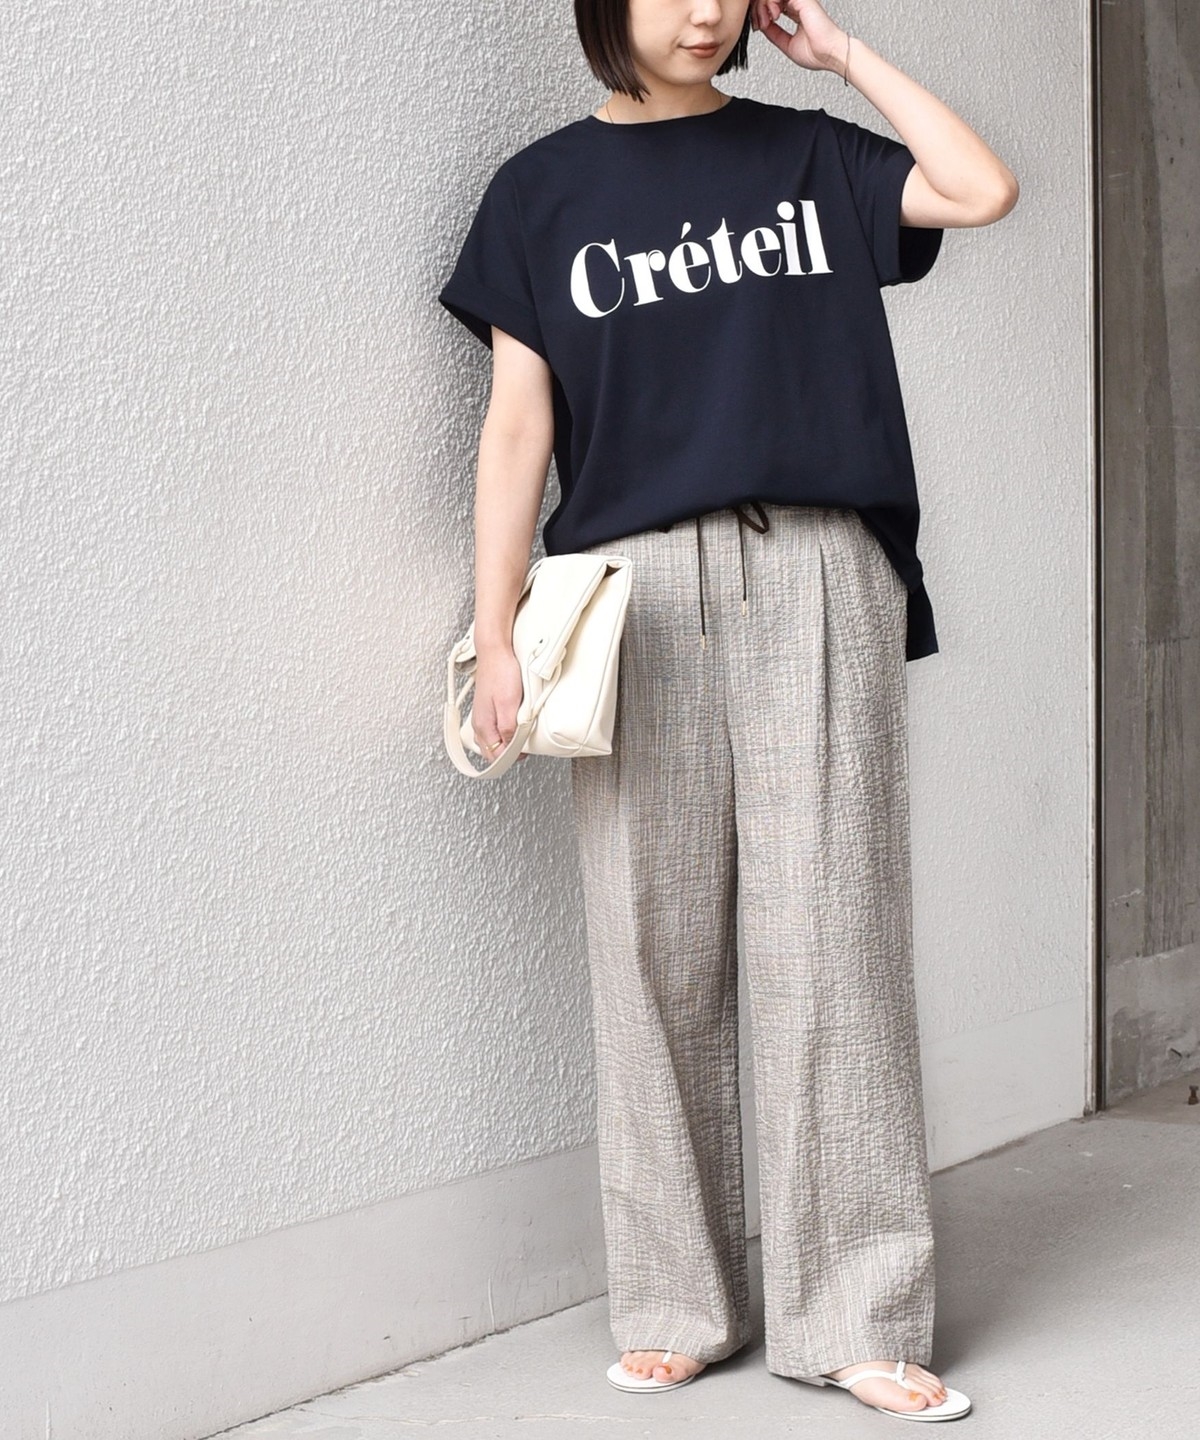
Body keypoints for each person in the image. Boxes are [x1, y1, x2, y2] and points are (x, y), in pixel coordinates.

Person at [438, 0, 1017, 1422]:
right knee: (652, 948)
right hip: (630, 591)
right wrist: (495, 629)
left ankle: (856, 1316)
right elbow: (518, 426)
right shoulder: (541, 192)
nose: (701, 9)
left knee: (837, 943)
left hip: (819, 565)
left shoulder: (809, 156)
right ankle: (677, 1302)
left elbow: (979, 189)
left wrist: (847, 57)